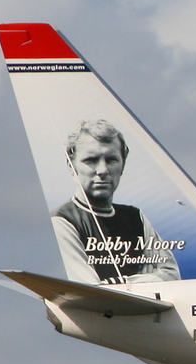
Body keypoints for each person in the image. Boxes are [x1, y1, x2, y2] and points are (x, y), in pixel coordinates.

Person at [52, 120, 181, 284]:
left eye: (111, 160)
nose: (103, 171)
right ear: (72, 167)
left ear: (123, 165)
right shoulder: (62, 220)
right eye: (91, 160)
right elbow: (93, 290)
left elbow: (172, 275)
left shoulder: (135, 217)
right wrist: (150, 279)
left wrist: (123, 282)